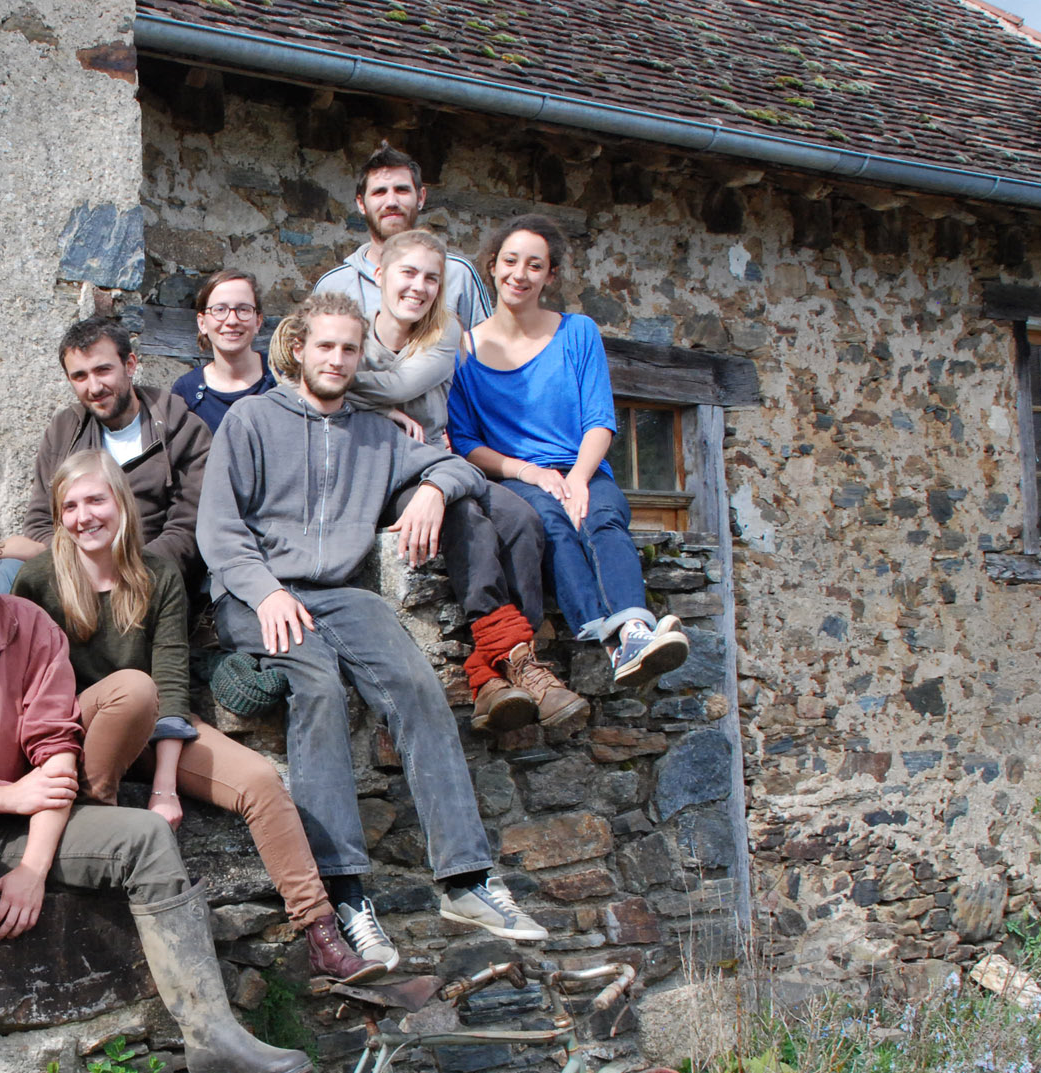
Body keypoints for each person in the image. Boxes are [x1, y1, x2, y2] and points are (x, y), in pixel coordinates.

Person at [0, 488, 309, 1073]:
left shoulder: (28, 627)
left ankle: (213, 1034)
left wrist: (33, 867)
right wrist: (8, 797)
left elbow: (56, 753)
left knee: (144, 835)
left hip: (11, 830)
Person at [198, 292, 551, 969]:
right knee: (318, 687)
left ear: (361, 358)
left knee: (416, 685)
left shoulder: (375, 433)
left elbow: (456, 465)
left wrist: (433, 490)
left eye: (349, 348)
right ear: (298, 348)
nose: (336, 359)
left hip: (339, 593)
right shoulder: (252, 419)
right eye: (325, 346)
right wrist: (267, 592)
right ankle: (345, 894)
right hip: (253, 593)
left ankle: (466, 879)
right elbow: (219, 529)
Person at [13, 450, 379, 984]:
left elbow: (170, 680)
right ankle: (97, 825)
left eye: (95, 500)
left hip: (151, 722)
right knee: (130, 688)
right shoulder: (37, 580)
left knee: (259, 780)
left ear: (121, 502)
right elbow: (31, 688)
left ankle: (321, 932)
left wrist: (165, 788)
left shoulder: (158, 574)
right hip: (80, 731)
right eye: (69, 506)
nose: (83, 516)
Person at [346, 230, 586, 734]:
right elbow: (299, 374)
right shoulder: (352, 336)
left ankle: (495, 669)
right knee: (466, 517)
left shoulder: (444, 332)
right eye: (408, 273)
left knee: (520, 519)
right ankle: (516, 664)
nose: (419, 286)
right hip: (384, 474)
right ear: (380, 275)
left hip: (441, 465)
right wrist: (381, 412)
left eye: (431, 278)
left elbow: (402, 383)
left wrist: (354, 391)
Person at [447, 215, 689, 685]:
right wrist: (531, 473)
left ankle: (633, 630)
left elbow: (600, 419)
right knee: (549, 522)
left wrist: (578, 478)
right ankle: (613, 641)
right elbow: (467, 443)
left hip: (583, 467)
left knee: (602, 517)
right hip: (516, 476)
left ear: (550, 276)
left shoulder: (578, 332)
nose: (520, 274)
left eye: (535, 265)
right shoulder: (463, 352)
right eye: (510, 261)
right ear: (492, 267)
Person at [5, 317, 214, 582]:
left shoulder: (180, 428)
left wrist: (123, 573)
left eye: (103, 370)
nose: (94, 387)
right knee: (1, 571)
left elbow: (188, 527)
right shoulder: (64, 431)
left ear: (130, 365)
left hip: (152, 577)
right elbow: (40, 522)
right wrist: (83, 570)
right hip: (75, 579)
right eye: (80, 376)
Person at [313, 142, 493, 335]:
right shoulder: (334, 285)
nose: (391, 202)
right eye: (379, 192)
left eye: (401, 190)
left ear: (421, 197)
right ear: (361, 203)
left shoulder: (457, 274)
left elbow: (485, 347)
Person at [169, 269, 276, 434]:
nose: (232, 320)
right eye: (220, 309)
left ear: (258, 321)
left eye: (243, 309)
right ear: (202, 323)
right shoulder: (186, 392)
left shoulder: (283, 379)